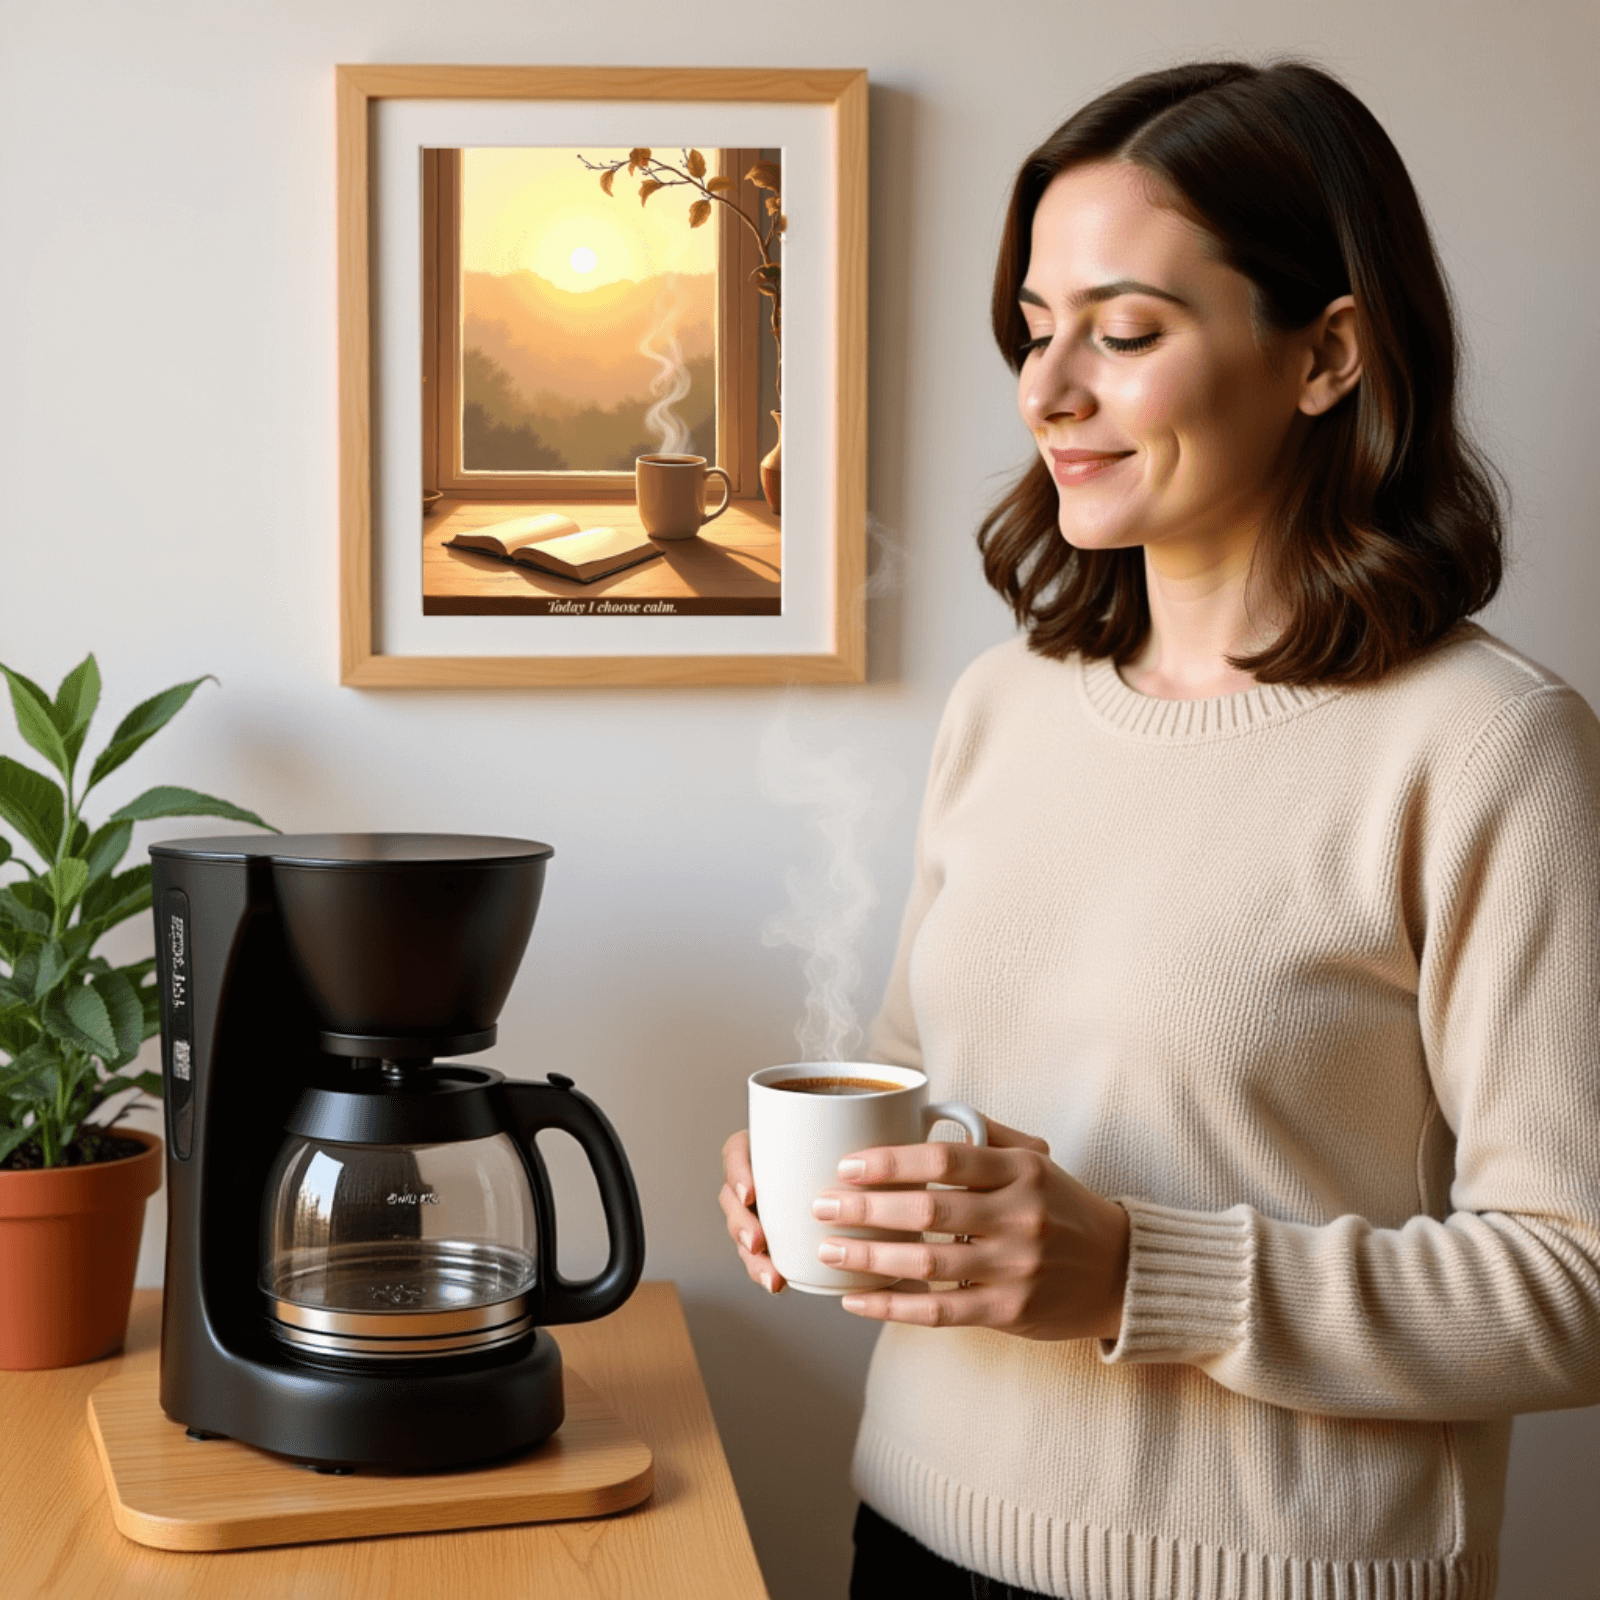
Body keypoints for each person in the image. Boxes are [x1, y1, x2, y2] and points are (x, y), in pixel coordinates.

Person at [721, 59, 1600, 1600]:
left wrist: (1140, 1272)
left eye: (1125, 333)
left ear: (1326, 354)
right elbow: (940, 1086)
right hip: (918, 1535)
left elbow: (1577, 1284)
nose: (1049, 391)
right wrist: (842, 1192)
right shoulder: (1007, 702)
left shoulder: (1491, 747)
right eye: (1034, 328)